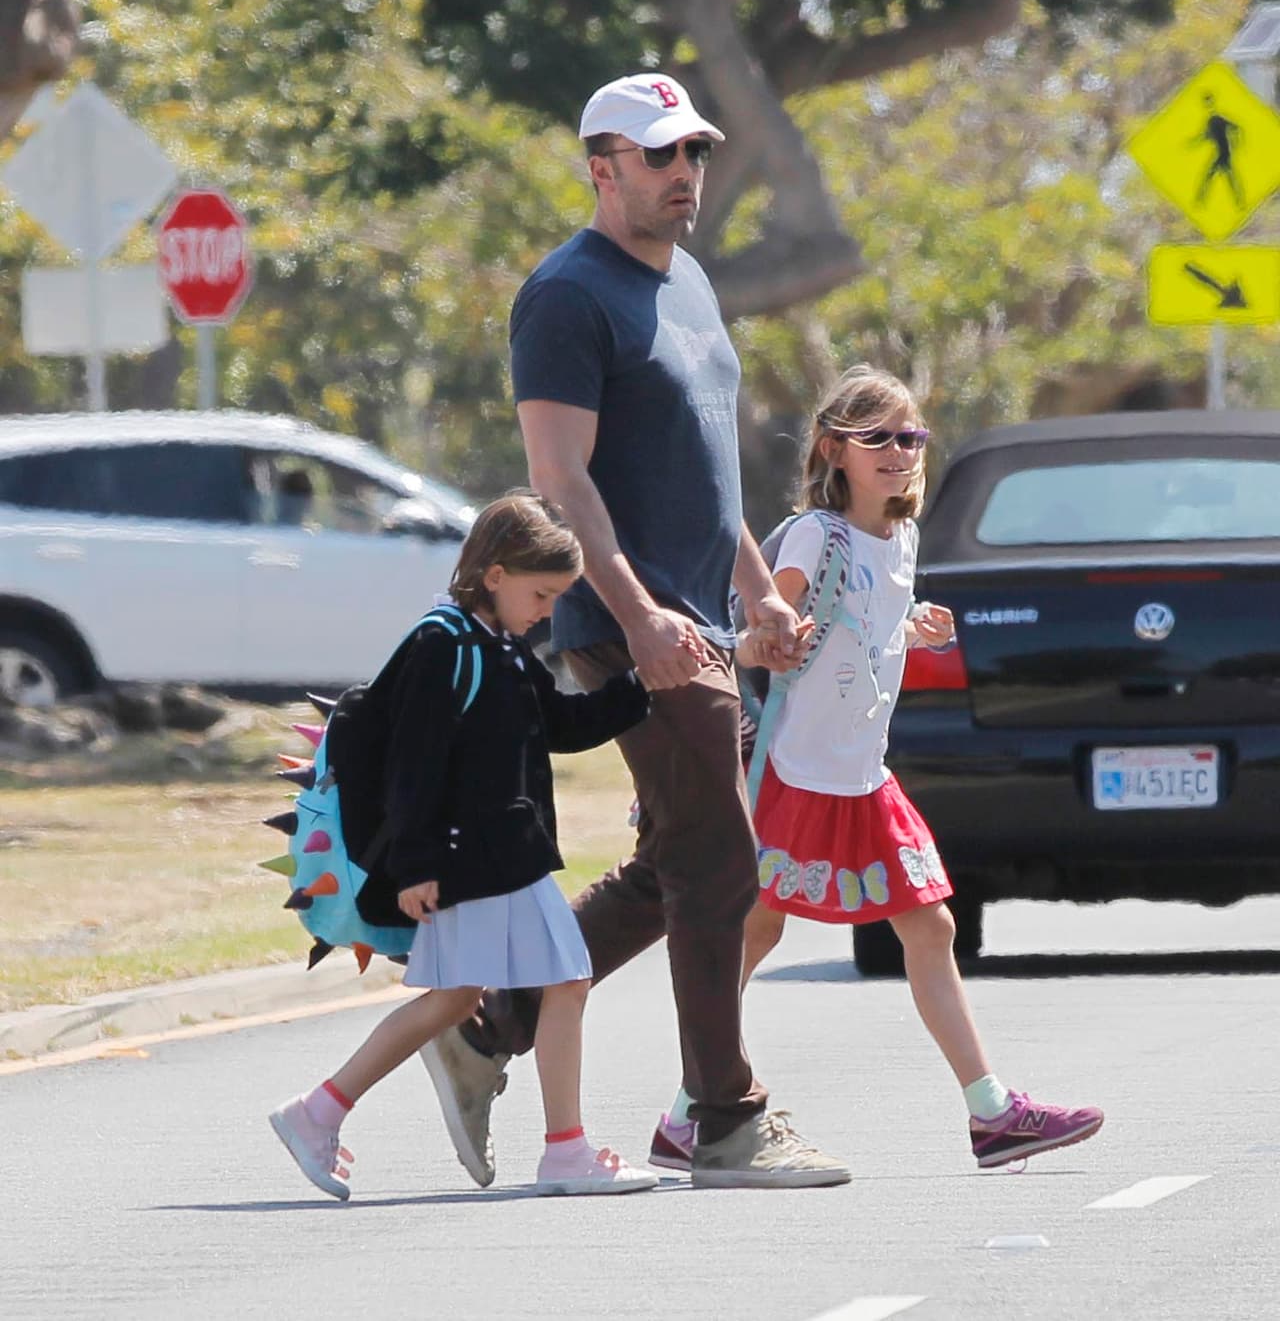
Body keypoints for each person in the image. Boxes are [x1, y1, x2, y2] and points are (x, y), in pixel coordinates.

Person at [420, 73, 851, 1190]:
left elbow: (705, 481)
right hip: (625, 624)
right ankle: (725, 1117)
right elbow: (558, 479)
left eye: (693, 154)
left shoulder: (692, 283)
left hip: (697, 617)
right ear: (598, 167)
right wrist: (638, 613)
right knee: (720, 860)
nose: (682, 174)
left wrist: (758, 591)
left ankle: (483, 1030)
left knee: (677, 859)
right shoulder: (566, 296)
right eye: (658, 155)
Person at [651, 365, 1105, 1173]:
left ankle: (992, 1114)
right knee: (754, 932)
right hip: (795, 773)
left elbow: (863, 635)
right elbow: (762, 631)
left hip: (864, 776)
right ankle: (691, 1111)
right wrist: (768, 637)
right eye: (879, 439)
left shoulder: (903, 537)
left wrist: (913, 629)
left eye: (911, 436)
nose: (900, 452)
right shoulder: (811, 537)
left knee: (930, 926)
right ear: (834, 450)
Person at [268, 490, 658, 1199]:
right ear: (495, 573)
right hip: (470, 859)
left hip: (501, 852)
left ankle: (316, 1110)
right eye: (542, 593)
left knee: (456, 999)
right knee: (563, 977)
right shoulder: (441, 644)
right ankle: (564, 1149)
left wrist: (640, 684)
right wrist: (415, 864)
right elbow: (413, 765)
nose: (547, 610)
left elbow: (562, 726)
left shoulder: (502, 647)